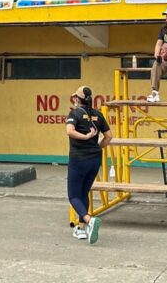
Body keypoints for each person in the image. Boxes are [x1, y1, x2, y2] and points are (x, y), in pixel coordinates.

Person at [65, 85, 111, 245]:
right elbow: (109, 136)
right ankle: (81, 229)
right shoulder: (98, 114)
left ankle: (89, 220)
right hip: (94, 159)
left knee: (73, 196)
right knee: (84, 193)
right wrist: (96, 146)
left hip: (79, 159)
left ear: (78, 99)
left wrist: (85, 138)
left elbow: (70, 131)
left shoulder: (74, 113)